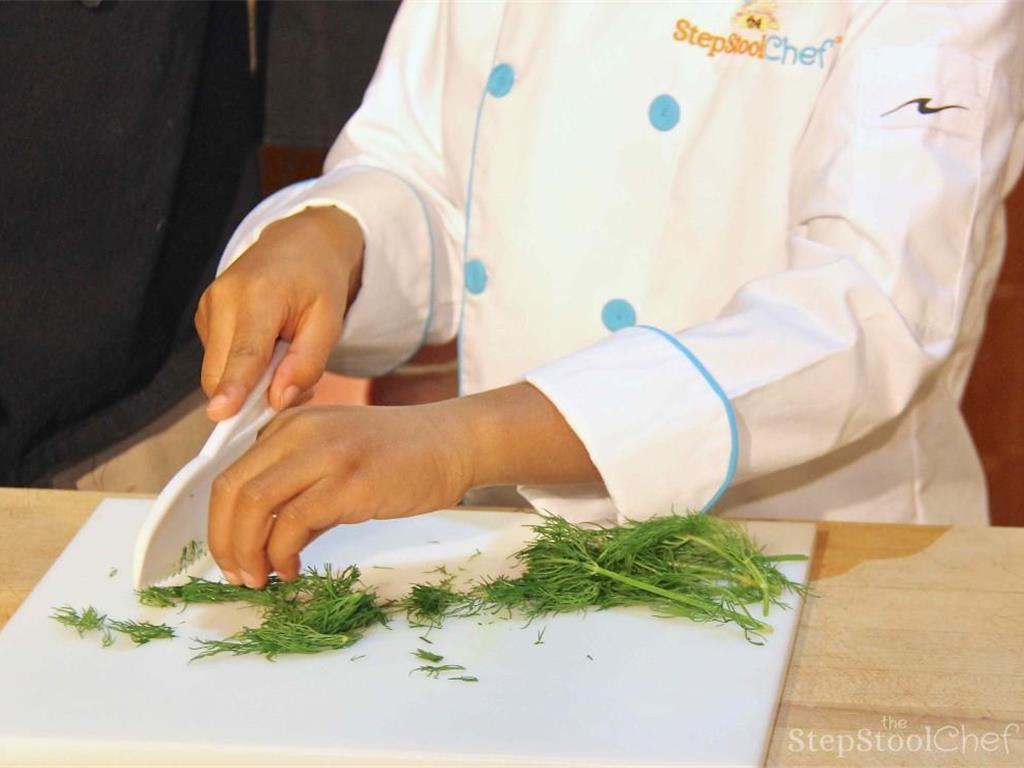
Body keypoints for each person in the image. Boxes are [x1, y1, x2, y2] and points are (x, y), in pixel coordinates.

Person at [194, 0, 1024, 589]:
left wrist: (463, 443)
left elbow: (869, 307)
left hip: (818, 554)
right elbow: (429, 169)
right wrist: (337, 234)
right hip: (521, 552)